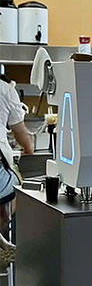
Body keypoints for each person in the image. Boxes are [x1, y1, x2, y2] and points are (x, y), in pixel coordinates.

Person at [0, 75, 34, 270]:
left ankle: (3, 244)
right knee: (18, 191)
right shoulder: (6, 89)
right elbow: (20, 132)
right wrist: (28, 149)